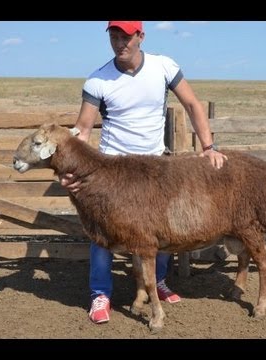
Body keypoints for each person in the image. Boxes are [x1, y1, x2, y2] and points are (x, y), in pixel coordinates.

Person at [60, 20, 228, 324]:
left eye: (126, 36)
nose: (120, 42)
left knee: (162, 228)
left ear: (141, 36)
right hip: (111, 169)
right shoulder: (98, 80)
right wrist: (73, 173)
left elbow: (191, 103)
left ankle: (158, 283)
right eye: (114, 36)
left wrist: (208, 146)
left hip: (154, 168)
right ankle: (101, 293)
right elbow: (82, 131)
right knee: (102, 233)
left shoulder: (163, 67)